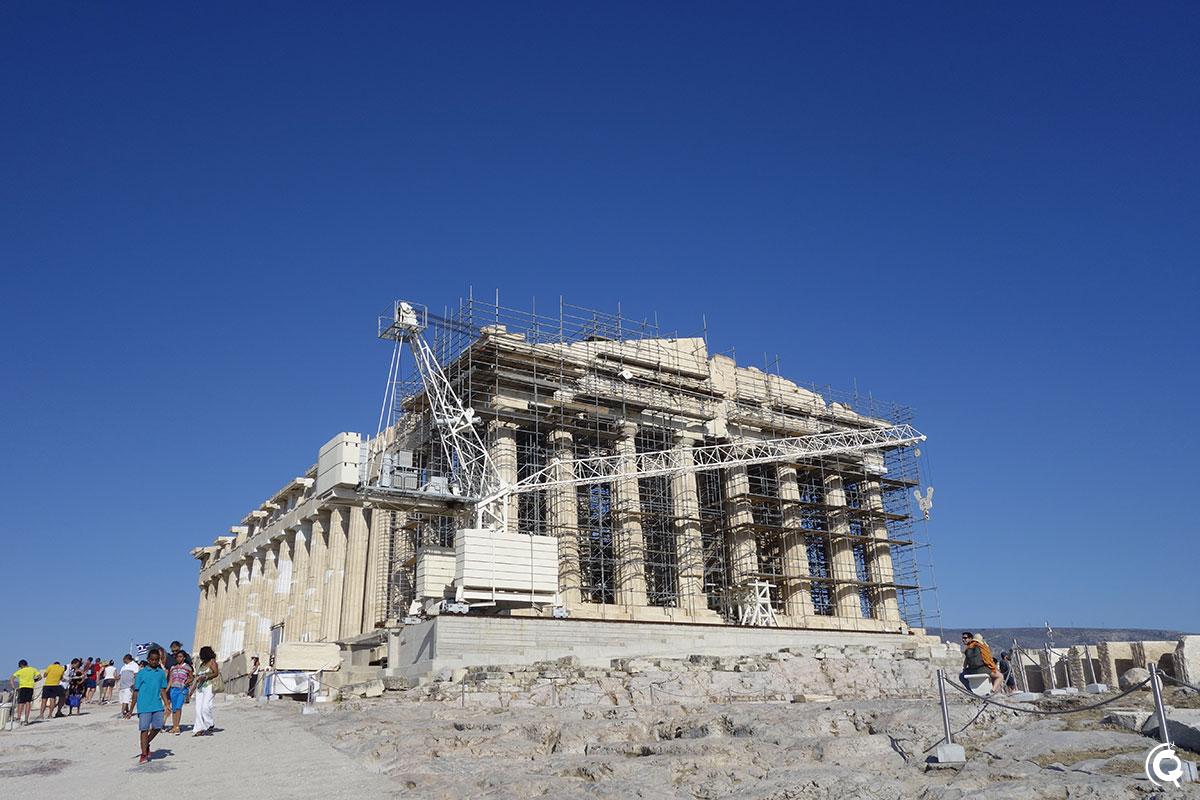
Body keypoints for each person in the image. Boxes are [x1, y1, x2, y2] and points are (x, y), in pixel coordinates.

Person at [130, 648, 170, 764]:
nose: (154, 662)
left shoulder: (161, 673)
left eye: (156, 660)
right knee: (144, 729)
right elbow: (136, 691)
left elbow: (162, 690)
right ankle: (144, 754)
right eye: (152, 659)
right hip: (143, 706)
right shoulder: (141, 673)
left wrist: (167, 704)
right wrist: (131, 709)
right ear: (148, 659)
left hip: (157, 705)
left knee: (158, 727)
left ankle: (146, 743)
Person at [189, 646, 220, 737]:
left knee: (205, 706)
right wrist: (190, 692)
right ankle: (199, 729)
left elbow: (216, 673)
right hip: (200, 688)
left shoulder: (212, 661)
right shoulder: (202, 664)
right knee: (198, 709)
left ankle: (210, 723)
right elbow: (196, 678)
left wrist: (206, 677)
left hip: (209, 686)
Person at [166, 651, 193, 735]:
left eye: (180, 656)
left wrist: (187, 681)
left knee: (178, 707)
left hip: (182, 689)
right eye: (177, 657)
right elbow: (171, 679)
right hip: (173, 689)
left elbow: (191, 678)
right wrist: (166, 690)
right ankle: (174, 726)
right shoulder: (173, 667)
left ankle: (177, 727)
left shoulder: (187, 667)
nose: (179, 658)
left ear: (184, 658)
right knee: (174, 708)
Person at [10, 660, 40, 726]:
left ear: (21, 665)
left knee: (21, 703)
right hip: (30, 687)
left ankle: (18, 717)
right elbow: (40, 677)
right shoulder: (33, 669)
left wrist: (14, 687)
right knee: (28, 703)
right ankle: (26, 719)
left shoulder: (20, 671)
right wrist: (34, 680)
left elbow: (11, 679)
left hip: (22, 687)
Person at [118, 654, 139, 719]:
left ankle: (122, 712)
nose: (123, 660)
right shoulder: (123, 666)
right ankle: (127, 711)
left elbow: (136, 675)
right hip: (122, 686)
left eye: (124, 659)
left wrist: (135, 684)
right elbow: (120, 675)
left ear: (127, 659)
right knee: (122, 700)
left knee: (126, 699)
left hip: (129, 685)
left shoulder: (134, 665)